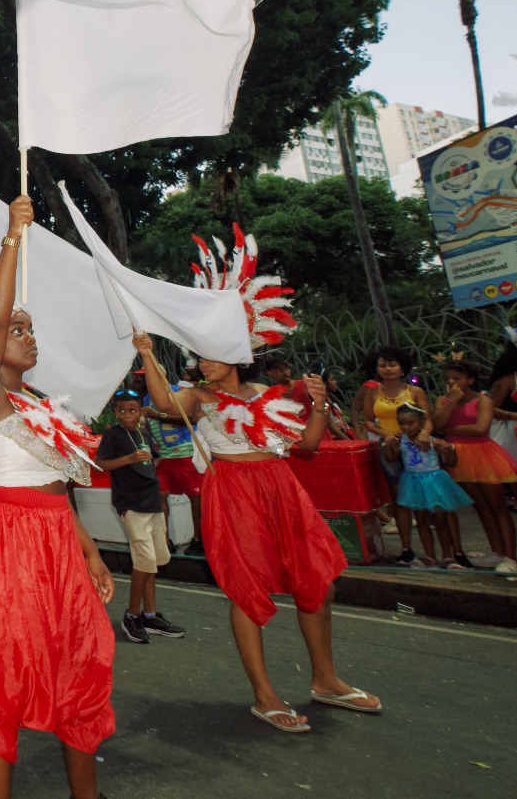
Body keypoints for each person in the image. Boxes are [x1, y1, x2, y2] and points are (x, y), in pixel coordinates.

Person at [138, 228, 381, 735]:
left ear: (237, 351)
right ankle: (265, 695)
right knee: (248, 591)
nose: (204, 360)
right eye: (199, 354)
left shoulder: (269, 392)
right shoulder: (198, 398)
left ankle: (325, 679)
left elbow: (308, 447)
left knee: (317, 582)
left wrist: (316, 405)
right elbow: (164, 405)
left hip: (280, 486)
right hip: (234, 490)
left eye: (212, 351)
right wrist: (146, 354)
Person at [0, 196, 114, 799]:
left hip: (57, 539)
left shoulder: (44, 408)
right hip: (1, 538)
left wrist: (88, 551)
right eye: (18, 330)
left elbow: (59, 494)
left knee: (82, 661)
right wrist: (14, 237)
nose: (27, 337)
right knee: (0, 672)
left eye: (31, 329)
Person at [98, 389, 185, 644]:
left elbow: (153, 460)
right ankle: (131, 615)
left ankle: (149, 614)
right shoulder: (114, 435)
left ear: (140, 411)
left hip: (152, 503)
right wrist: (129, 459)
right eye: (122, 410)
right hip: (131, 504)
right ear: (115, 412)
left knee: (155, 559)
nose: (127, 415)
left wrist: (155, 484)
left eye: (132, 410)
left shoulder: (143, 433)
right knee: (144, 559)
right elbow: (101, 464)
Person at [433, 359, 517, 572]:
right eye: (448, 379)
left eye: (457, 378)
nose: (452, 382)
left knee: (497, 506)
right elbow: (437, 425)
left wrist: (451, 430)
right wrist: (451, 403)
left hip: (483, 455)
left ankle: (511, 558)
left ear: (470, 380)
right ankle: (497, 552)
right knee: (480, 505)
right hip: (457, 457)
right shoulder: (443, 400)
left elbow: (481, 428)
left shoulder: (483, 400)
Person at [359, 346, 432, 565]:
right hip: (389, 448)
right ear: (377, 369)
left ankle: (432, 554)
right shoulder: (372, 392)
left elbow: (427, 418)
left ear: (402, 368)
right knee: (399, 500)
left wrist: (425, 435)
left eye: (392, 364)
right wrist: (384, 433)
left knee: (421, 500)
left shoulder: (415, 392)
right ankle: (406, 550)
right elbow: (368, 420)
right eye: (383, 365)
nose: (388, 369)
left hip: (415, 447)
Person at [384, 404, 472, 568]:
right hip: (412, 483)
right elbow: (391, 459)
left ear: (421, 422)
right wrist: (388, 447)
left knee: (441, 521)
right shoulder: (400, 440)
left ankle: (447, 556)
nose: (405, 427)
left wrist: (450, 449)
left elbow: (452, 462)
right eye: (401, 423)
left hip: (435, 482)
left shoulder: (433, 441)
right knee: (422, 520)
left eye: (410, 423)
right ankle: (430, 556)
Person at [144, 359, 205, 553]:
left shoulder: (179, 391)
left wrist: (158, 416)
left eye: (148, 376)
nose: (146, 380)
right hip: (164, 456)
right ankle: (164, 539)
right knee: (160, 495)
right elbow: (148, 425)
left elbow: (190, 419)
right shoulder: (147, 398)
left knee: (196, 495)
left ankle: (199, 539)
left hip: (185, 453)